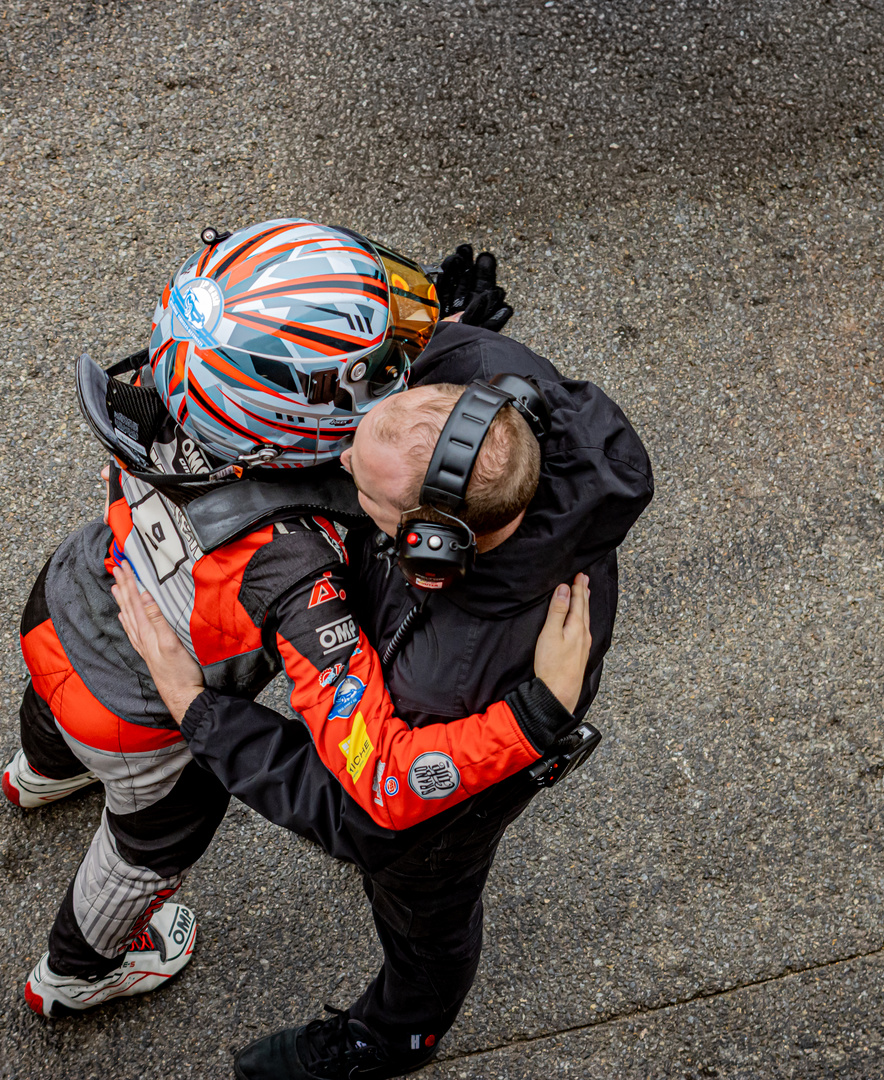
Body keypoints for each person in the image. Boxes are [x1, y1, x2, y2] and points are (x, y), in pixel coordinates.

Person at [0, 218, 591, 1017]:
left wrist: (431, 338)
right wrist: (534, 718)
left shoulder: (170, 389)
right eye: (372, 372)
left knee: (54, 707)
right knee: (153, 841)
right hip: (133, 715)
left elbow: (287, 377)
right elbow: (380, 773)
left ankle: (40, 775)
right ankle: (79, 971)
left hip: (67, 600)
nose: (395, 372)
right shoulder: (298, 573)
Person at [117, 312, 655, 1077]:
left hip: (432, 820)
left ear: (432, 541)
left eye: (362, 487)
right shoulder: (485, 369)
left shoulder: (447, 681)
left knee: (425, 914)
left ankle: (399, 1036)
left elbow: (365, 812)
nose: (340, 459)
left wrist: (196, 710)